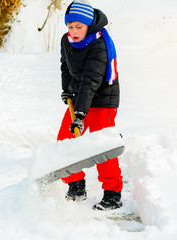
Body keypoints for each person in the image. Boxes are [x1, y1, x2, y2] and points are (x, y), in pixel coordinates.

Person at [58, 0, 123, 211]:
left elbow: (91, 81)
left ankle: (113, 194)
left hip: (103, 99)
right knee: (64, 142)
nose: (74, 32)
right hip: (79, 97)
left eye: (79, 27)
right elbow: (65, 66)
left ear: (89, 25)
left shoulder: (99, 45)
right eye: (70, 26)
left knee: (101, 147)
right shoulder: (67, 41)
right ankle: (76, 185)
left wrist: (80, 113)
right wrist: (67, 88)